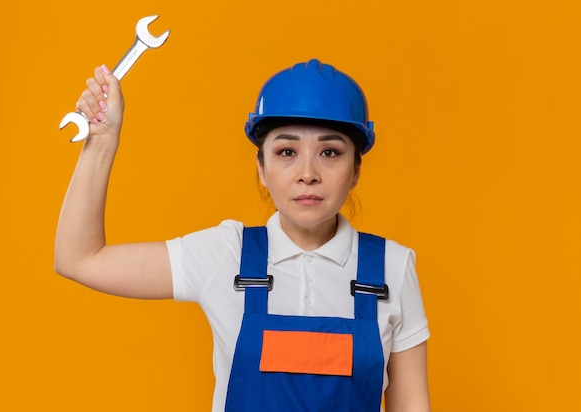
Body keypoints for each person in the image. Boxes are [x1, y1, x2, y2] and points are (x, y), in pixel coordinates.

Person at [55, 59, 431, 412]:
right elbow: (79, 259)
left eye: (330, 152)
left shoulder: (392, 268)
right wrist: (102, 141)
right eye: (286, 151)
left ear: (356, 170)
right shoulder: (225, 254)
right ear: (262, 168)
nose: (308, 173)